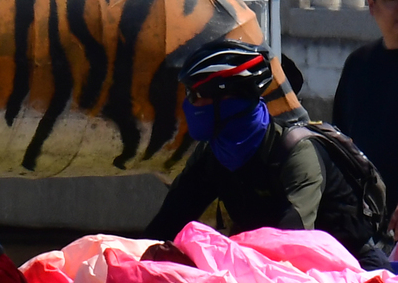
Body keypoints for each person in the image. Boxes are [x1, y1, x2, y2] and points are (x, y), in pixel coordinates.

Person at [146, 40, 390, 269]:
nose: (188, 105)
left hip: (353, 271)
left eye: (195, 95)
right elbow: (164, 226)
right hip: (273, 275)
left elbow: (291, 244)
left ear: (228, 99)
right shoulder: (214, 155)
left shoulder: (295, 153)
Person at [333, 0, 398, 229]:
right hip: (364, 221)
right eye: (393, 0)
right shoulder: (358, 64)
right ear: (372, 5)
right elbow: (341, 144)